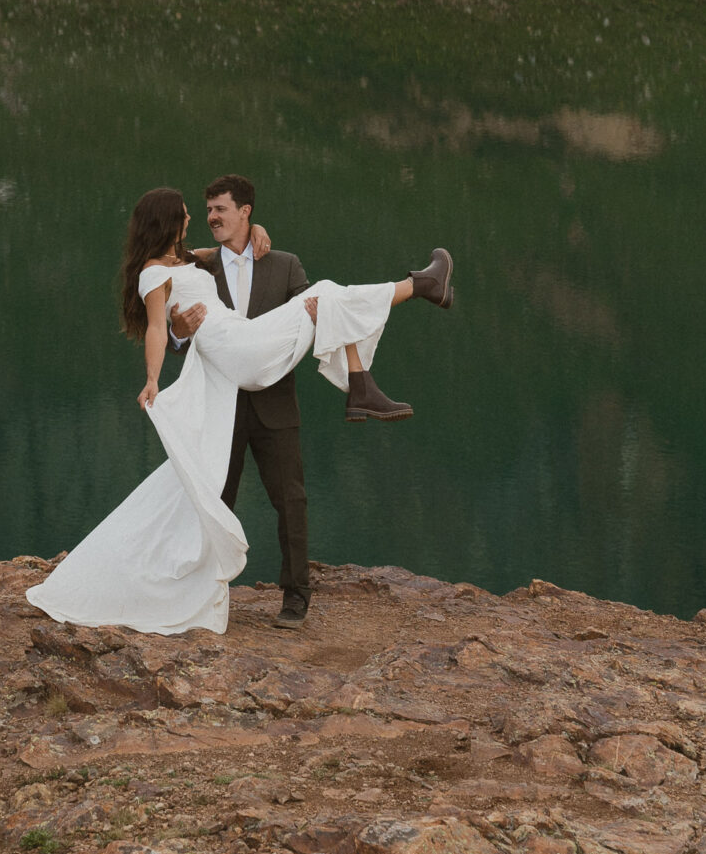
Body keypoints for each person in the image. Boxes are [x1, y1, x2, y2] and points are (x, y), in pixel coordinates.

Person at [26, 187, 454, 638]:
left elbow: (231, 248)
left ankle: (363, 383)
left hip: (252, 361)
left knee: (326, 298)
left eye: (213, 210)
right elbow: (157, 327)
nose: (198, 218)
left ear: (243, 212)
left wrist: (255, 233)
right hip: (234, 354)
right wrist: (153, 377)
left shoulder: (197, 259)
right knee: (326, 297)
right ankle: (416, 295)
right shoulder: (153, 273)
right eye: (191, 214)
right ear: (167, 221)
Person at [171, 174, 451, 628]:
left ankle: (296, 597)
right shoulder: (198, 269)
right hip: (218, 401)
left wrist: (322, 316)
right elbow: (174, 337)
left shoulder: (283, 264)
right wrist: (179, 333)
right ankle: (201, 594)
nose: (211, 217)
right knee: (212, 501)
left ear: (246, 212)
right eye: (208, 210)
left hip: (275, 402)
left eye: (220, 209)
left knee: (291, 501)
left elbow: (313, 324)